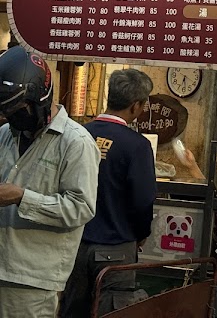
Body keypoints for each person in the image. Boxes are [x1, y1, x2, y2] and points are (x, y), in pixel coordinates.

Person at [0, 46, 100, 318]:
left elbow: (81, 208)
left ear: (40, 98)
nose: (11, 118)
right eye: (6, 111)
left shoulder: (76, 143)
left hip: (31, 279)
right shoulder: (6, 134)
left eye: (17, 110)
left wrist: (21, 197)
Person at [60, 68, 158, 318]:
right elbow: (143, 200)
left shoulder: (77, 134)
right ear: (136, 106)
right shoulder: (137, 145)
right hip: (116, 249)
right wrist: (141, 233)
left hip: (74, 245)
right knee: (112, 312)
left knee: (72, 310)